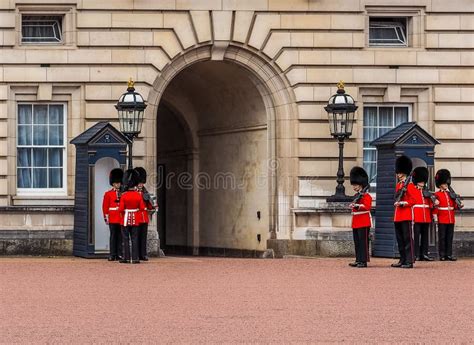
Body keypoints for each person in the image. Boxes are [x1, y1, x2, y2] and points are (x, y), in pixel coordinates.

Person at [392, 155, 417, 269]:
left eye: (400, 172)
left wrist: (403, 203)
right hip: (398, 216)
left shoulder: (410, 186)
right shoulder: (398, 185)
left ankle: (409, 260)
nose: (398, 174)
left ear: (404, 173)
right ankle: (402, 259)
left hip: (406, 215)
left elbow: (414, 200)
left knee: (407, 239)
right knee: (400, 239)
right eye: (398, 172)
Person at [433, 169, 464, 261]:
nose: (446, 184)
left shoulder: (451, 194)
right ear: (440, 184)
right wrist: (435, 216)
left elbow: (454, 206)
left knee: (449, 237)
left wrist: (459, 205)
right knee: (442, 238)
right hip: (442, 218)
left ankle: (449, 254)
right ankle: (442, 255)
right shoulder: (437, 194)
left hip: (451, 218)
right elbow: (436, 207)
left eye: (446, 183)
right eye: (444, 183)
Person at [119, 169, 146, 264]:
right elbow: (142, 208)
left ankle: (126, 258)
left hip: (125, 219)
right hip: (135, 220)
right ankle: (135, 258)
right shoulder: (138, 196)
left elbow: (121, 209)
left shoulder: (124, 196)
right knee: (135, 238)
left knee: (125, 239)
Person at [411, 166, 437, 261]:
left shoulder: (426, 191)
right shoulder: (412, 190)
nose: (422, 183)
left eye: (423, 181)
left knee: (425, 237)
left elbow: (430, 204)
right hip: (417, 217)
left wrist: (434, 203)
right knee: (416, 236)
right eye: (420, 181)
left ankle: (424, 254)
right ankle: (416, 254)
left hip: (426, 217)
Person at [348, 166, 372, 268]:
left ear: (361, 184)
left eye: (356, 185)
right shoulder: (356, 196)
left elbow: (367, 207)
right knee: (357, 242)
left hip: (364, 221)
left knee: (363, 242)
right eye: (353, 185)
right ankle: (358, 259)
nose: (354, 187)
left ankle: (364, 261)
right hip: (356, 221)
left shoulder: (366, 196)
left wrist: (358, 206)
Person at [102, 168, 124, 261]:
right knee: (113, 236)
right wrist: (106, 217)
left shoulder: (123, 193)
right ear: (113, 183)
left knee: (120, 237)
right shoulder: (108, 194)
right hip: (112, 217)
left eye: (119, 182)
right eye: (116, 183)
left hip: (121, 217)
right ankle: (112, 254)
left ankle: (119, 254)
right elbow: (105, 206)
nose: (118, 184)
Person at [134, 167, 154, 261]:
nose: (141, 185)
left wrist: (151, 203)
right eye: (139, 183)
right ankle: (136, 254)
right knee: (136, 237)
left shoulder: (145, 192)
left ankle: (143, 254)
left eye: (142, 183)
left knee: (143, 237)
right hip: (136, 217)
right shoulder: (133, 192)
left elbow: (151, 206)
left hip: (144, 217)